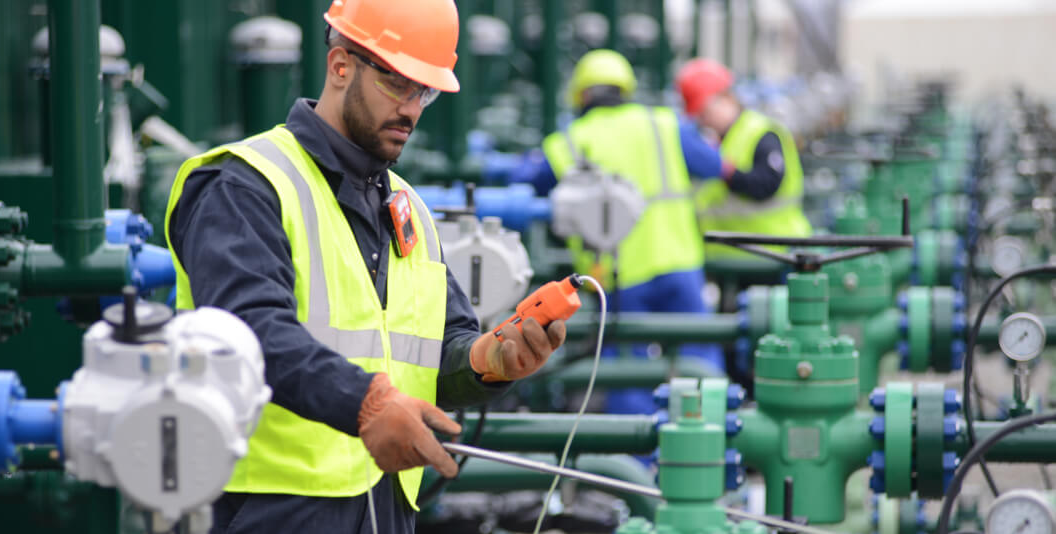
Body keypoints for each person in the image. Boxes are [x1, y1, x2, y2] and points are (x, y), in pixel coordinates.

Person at [163, 1, 568, 532]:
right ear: (340, 66)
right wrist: (368, 403)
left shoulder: (408, 208)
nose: (412, 109)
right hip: (265, 507)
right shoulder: (246, 186)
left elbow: (430, 355)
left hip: (383, 507)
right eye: (397, 83)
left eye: (424, 91)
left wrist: (489, 359)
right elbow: (249, 332)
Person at [512, 49, 726, 417]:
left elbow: (522, 183)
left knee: (628, 373)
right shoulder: (664, 124)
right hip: (679, 263)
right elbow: (715, 166)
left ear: (581, 96)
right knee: (701, 360)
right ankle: (713, 446)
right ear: (627, 88)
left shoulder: (570, 140)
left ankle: (634, 465)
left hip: (619, 276)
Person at [676, 58, 812, 258]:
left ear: (727, 98)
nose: (704, 121)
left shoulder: (762, 133)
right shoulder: (716, 140)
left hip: (771, 251)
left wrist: (727, 172)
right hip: (727, 253)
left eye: (706, 112)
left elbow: (767, 183)